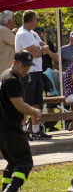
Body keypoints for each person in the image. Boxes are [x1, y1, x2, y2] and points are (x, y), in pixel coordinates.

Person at [1, 53, 44, 192]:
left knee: (13, 162)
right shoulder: (12, 80)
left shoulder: (4, 75)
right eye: (23, 65)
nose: (26, 69)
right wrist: (35, 112)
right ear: (14, 62)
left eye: (28, 66)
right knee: (25, 162)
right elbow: (19, 105)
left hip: (3, 128)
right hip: (10, 127)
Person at [14, 11, 54, 140]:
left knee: (36, 103)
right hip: (27, 73)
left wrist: (42, 49)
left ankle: (36, 131)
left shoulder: (33, 33)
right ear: (31, 20)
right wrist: (43, 50)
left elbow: (43, 45)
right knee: (25, 103)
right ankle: (23, 131)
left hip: (36, 72)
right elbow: (36, 53)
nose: (37, 21)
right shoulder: (23, 34)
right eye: (36, 19)